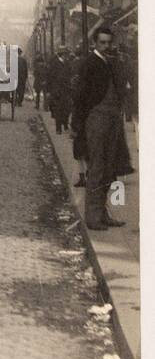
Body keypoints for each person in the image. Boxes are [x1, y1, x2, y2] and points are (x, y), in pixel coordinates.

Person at [71, 25, 130, 230]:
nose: (106, 46)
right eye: (102, 42)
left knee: (109, 168)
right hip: (96, 120)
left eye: (109, 42)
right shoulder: (89, 64)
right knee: (96, 168)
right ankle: (93, 217)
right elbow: (79, 97)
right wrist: (76, 125)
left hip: (112, 119)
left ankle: (104, 213)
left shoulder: (111, 63)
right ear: (95, 43)